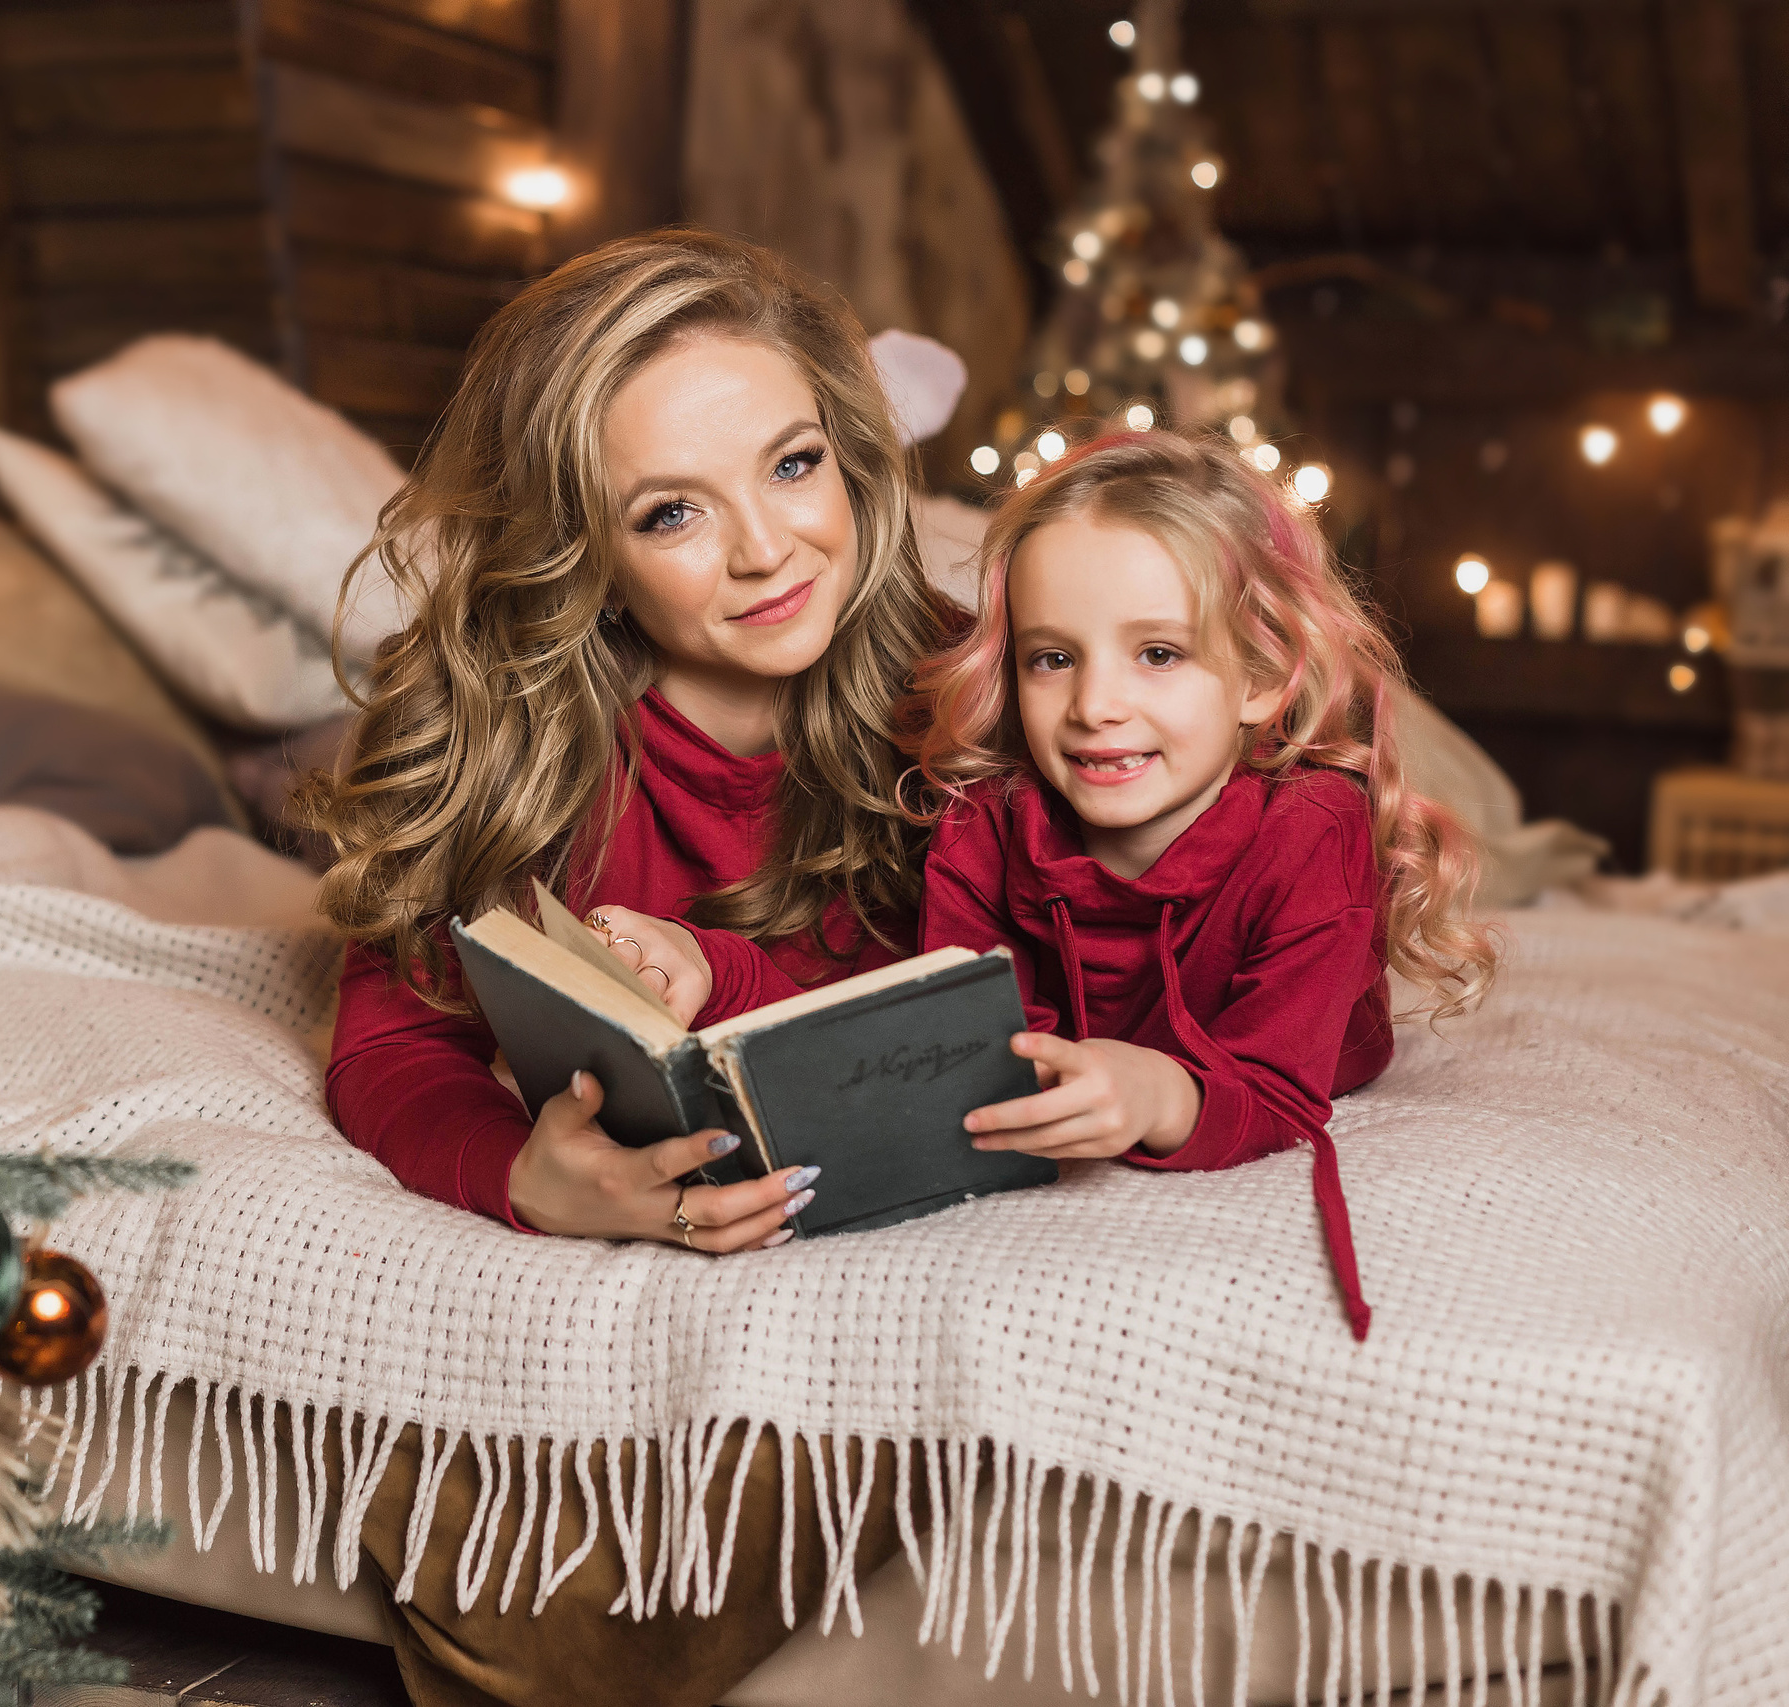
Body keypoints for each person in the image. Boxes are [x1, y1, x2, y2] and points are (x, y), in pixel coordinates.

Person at [304, 229, 951, 1253]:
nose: (766, 549)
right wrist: (523, 1174)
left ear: (851, 459)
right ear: (584, 555)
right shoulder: (513, 753)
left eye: (793, 464)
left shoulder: (977, 692)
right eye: (670, 514)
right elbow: (392, 1048)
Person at [897, 428, 1501, 1339]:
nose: (1096, 706)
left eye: (1158, 654)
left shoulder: (1314, 830)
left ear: (1260, 676)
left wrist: (1155, 1094)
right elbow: (968, 1041)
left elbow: (1277, 1089)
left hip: (1294, 1049)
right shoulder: (984, 819)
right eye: (1053, 658)